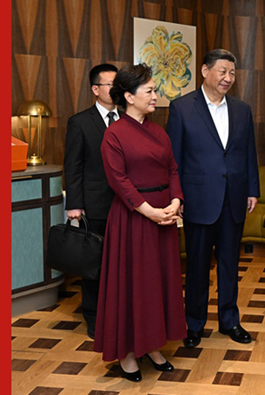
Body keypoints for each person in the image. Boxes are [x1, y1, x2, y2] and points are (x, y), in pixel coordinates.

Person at [94, 64, 186, 382]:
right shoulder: (114, 134)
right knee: (134, 285)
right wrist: (150, 212)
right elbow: (118, 180)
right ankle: (129, 353)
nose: (156, 96)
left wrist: (176, 202)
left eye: (154, 90)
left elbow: (173, 169)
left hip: (164, 216)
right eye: (150, 91)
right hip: (134, 219)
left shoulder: (159, 131)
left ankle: (153, 345)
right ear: (129, 97)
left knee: (158, 284)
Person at [166, 49, 260, 348]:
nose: (228, 78)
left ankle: (230, 320)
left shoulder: (242, 109)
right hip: (198, 199)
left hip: (234, 198)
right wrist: (177, 197)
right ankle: (193, 323)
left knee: (230, 264)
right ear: (205, 71)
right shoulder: (182, 108)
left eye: (232, 73)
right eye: (222, 71)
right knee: (197, 265)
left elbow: (248, 152)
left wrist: (252, 189)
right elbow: (174, 159)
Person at [64, 63, 118, 339]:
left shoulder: (129, 119)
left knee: (120, 263)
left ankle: (118, 314)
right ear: (96, 89)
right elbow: (73, 166)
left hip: (126, 205)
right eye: (110, 84)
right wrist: (74, 205)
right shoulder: (80, 122)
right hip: (95, 205)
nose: (116, 89)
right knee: (94, 264)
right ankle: (94, 317)